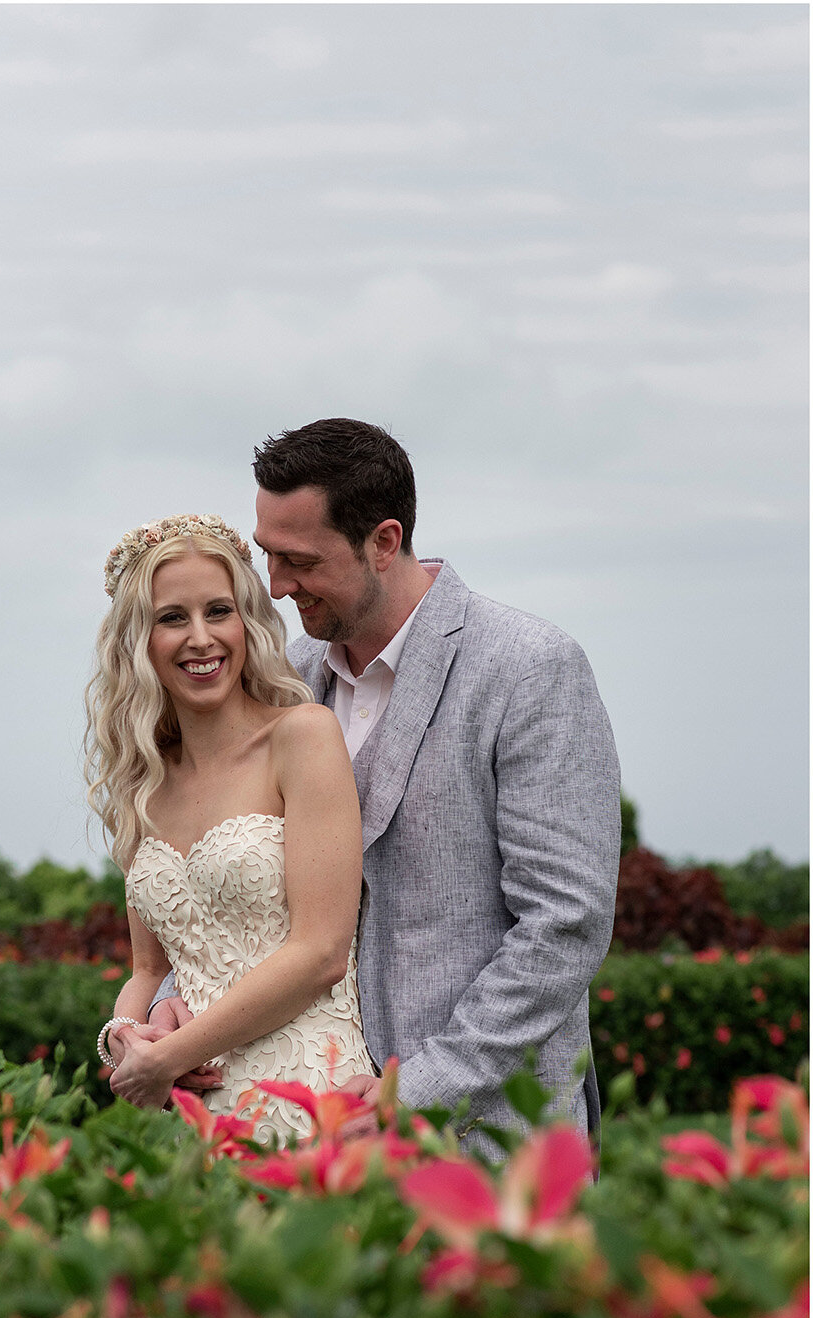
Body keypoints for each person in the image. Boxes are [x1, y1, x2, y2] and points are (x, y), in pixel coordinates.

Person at [133, 419, 622, 1145]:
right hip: (303, 1129)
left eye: (300, 560)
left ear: (384, 542)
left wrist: (417, 1089)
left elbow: (564, 926)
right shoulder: (286, 678)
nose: (276, 585)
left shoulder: (528, 669)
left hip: (488, 1134)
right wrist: (174, 1002)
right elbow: (244, 897)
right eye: (268, 556)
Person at [87, 513, 376, 1139]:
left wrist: (169, 1055)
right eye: (172, 618)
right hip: (194, 1112)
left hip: (309, 1091)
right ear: (138, 641)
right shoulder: (144, 786)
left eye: (218, 611)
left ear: (246, 621)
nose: (201, 638)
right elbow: (146, 970)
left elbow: (321, 952)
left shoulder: (302, 736)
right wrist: (125, 1042)